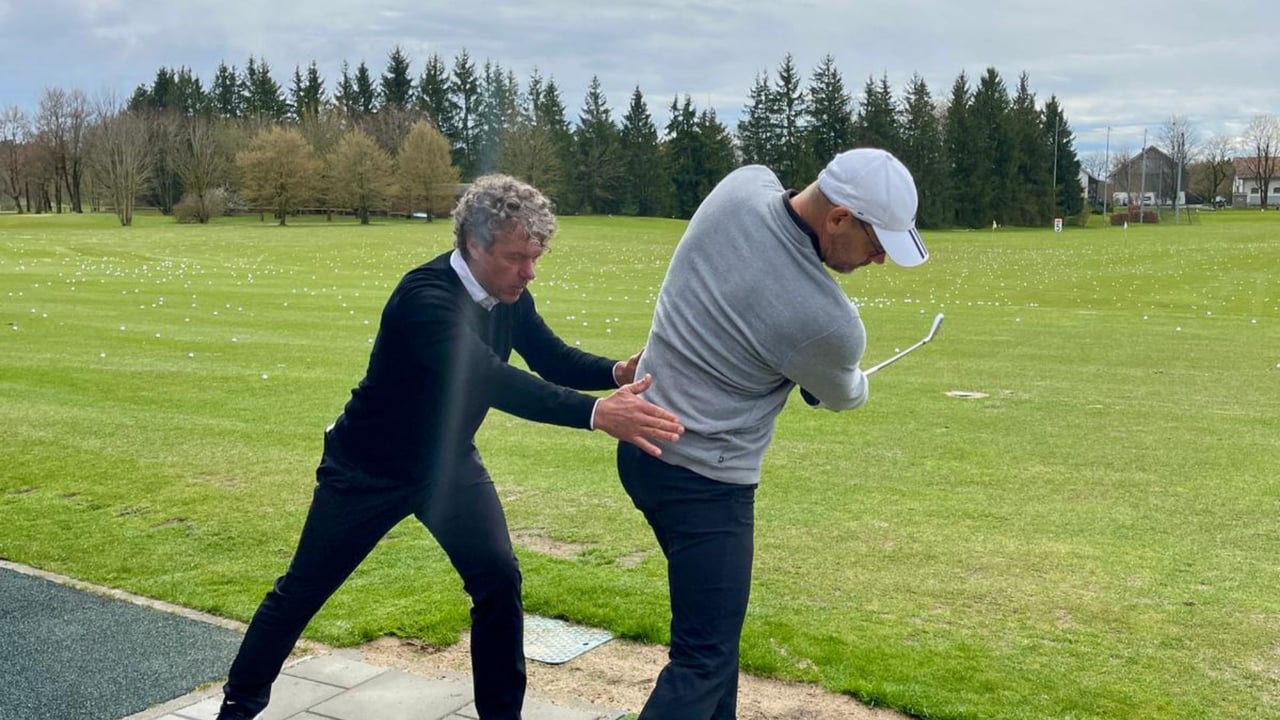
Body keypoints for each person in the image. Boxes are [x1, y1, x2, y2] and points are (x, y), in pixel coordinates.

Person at [216, 174, 685, 720]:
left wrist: (614, 372)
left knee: (498, 580)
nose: (529, 272)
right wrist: (597, 414)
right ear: (473, 243)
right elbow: (488, 378)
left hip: (447, 466)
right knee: (303, 590)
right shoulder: (424, 298)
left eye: (535, 258)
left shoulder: (508, 296)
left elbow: (548, 356)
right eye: (516, 258)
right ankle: (238, 706)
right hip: (367, 469)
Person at [617, 148, 929, 719]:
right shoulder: (830, 322)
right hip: (705, 483)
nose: (881, 258)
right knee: (703, 659)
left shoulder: (740, 187)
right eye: (875, 242)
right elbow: (844, 394)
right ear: (838, 218)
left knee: (716, 643)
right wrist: (840, 380)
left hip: (639, 450)